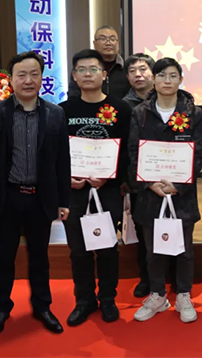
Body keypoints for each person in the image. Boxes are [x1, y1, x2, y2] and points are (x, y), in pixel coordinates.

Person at [0, 51, 70, 334]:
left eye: (34, 74)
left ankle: (43, 306)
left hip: (40, 197)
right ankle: (2, 307)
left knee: (40, 256)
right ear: (11, 79)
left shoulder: (55, 114)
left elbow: (62, 161)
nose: (28, 80)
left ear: (42, 78)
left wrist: (63, 200)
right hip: (8, 195)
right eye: (21, 75)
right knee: (4, 255)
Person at [128, 57, 202, 323]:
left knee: (184, 250)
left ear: (181, 79)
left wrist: (179, 185)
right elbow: (133, 152)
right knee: (153, 249)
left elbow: (198, 153)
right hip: (150, 193)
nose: (167, 81)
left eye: (173, 76)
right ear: (154, 79)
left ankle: (183, 294)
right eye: (162, 75)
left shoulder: (194, 113)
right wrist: (149, 183)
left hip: (181, 194)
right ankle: (158, 295)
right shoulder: (140, 113)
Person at [59, 49, 132, 326]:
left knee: (107, 247)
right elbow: (54, 152)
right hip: (74, 191)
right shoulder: (62, 111)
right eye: (82, 70)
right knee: (78, 250)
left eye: (93, 69)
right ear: (74, 76)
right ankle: (84, 300)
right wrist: (66, 177)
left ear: (104, 74)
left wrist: (110, 177)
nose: (88, 74)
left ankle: (108, 298)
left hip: (107, 190)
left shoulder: (121, 109)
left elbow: (127, 152)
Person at [122, 52, 155, 298]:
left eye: (143, 69)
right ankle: (146, 277)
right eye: (132, 71)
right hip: (138, 180)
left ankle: (173, 274)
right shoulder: (122, 106)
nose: (138, 75)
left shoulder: (170, 101)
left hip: (168, 175)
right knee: (143, 230)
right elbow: (124, 147)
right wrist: (127, 179)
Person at [68, 26, 129, 99]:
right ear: (94, 43)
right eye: (103, 39)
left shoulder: (127, 68)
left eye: (112, 39)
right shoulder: (82, 68)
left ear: (118, 43)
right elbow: (73, 94)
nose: (108, 43)